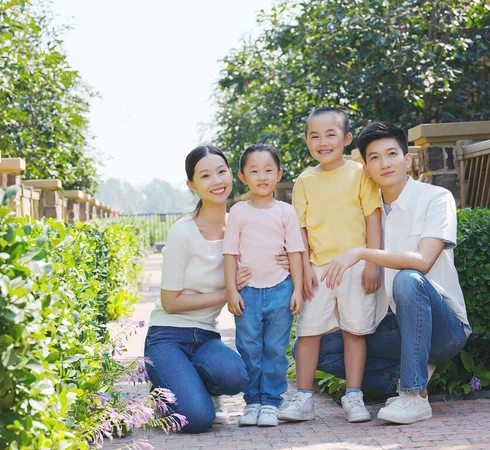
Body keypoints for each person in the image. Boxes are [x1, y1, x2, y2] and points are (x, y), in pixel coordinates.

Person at [317, 122, 471, 424]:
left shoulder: (436, 198)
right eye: (374, 157)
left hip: (444, 328)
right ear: (365, 168)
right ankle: (405, 376)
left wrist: (362, 253)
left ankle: (414, 396)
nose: (384, 163)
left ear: (407, 159)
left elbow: (424, 261)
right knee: (317, 350)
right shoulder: (364, 212)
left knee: (408, 278)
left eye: (391, 154)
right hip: (392, 325)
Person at [144, 146, 287, 433]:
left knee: (237, 376)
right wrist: (228, 293)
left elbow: (274, 249)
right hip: (168, 335)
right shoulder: (183, 231)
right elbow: (170, 302)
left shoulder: (243, 221)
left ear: (232, 175)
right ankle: (163, 389)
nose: (216, 181)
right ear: (191, 185)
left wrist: (286, 260)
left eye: (221, 171)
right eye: (205, 175)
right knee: (197, 419)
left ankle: (192, 384)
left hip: (206, 336)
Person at [278, 107, 382, 424]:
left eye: (330, 135)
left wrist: (372, 262)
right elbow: (301, 230)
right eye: (315, 136)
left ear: (347, 139)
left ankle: (353, 396)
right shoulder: (305, 182)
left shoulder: (360, 173)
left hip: (355, 265)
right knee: (308, 333)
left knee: (354, 331)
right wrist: (305, 267)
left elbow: (373, 218)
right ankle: (303, 399)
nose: (323, 142)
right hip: (318, 269)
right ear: (307, 142)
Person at [222, 144, 305, 427]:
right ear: (242, 176)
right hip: (248, 292)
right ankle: (252, 402)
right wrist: (232, 290)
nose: (262, 176)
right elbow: (230, 253)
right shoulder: (238, 212)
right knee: (249, 346)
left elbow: (295, 251)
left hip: (281, 287)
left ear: (279, 174)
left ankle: (270, 402)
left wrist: (298, 289)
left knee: (274, 347)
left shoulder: (286, 211)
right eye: (254, 171)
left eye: (268, 170)